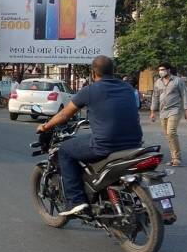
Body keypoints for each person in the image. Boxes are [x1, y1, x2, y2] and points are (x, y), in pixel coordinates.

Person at [37, 56, 143, 216]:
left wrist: (45, 126)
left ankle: (76, 201)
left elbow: (64, 115)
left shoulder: (89, 91)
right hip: (134, 143)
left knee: (65, 149)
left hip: (106, 144)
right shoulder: (128, 88)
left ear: (93, 74)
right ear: (113, 72)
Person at [150, 62, 187, 167]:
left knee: (171, 132)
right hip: (163, 111)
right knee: (168, 135)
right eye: (159, 70)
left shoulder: (178, 81)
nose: (161, 72)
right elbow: (155, 97)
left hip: (175, 110)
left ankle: (177, 158)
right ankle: (173, 158)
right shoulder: (158, 82)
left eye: (162, 70)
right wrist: (152, 111)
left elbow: (184, 95)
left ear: (168, 70)